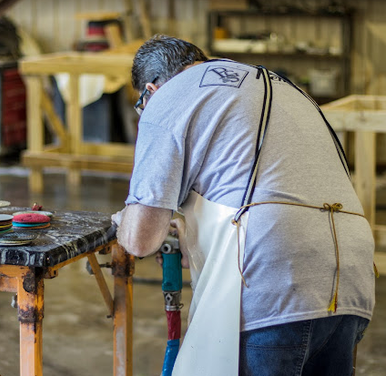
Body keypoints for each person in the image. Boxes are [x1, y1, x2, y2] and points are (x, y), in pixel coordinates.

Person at [111, 34, 376, 376]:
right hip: (352, 278)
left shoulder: (169, 97)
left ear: (150, 91)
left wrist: (127, 219)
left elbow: (140, 240)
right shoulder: (280, 86)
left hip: (274, 282)